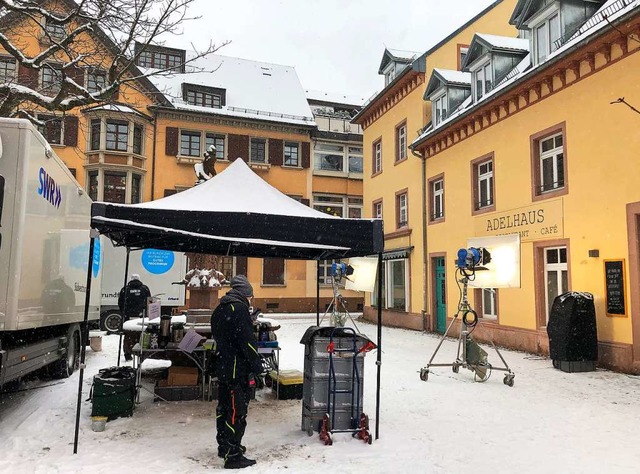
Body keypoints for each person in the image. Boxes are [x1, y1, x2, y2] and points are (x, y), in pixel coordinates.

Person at [211, 275, 263, 469]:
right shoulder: (239, 309)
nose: (250, 301)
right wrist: (257, 367)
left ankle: (224, 446)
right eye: (250, 297)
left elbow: (220, 335)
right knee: (237, 411)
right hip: (236, 369)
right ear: (245, 294)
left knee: (223, 408)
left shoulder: (221, 307)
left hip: (223, 366)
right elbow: (247, 342)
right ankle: (233, 455)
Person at [118, 274, 151, 361]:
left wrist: (125, 313)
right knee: (142, 334)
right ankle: (142, 353)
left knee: (128, 335)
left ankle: (127, 353)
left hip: (128, 317)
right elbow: (150, 302)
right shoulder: (145, 289)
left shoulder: (125, 289)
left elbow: (120, 303)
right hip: (141, 316)